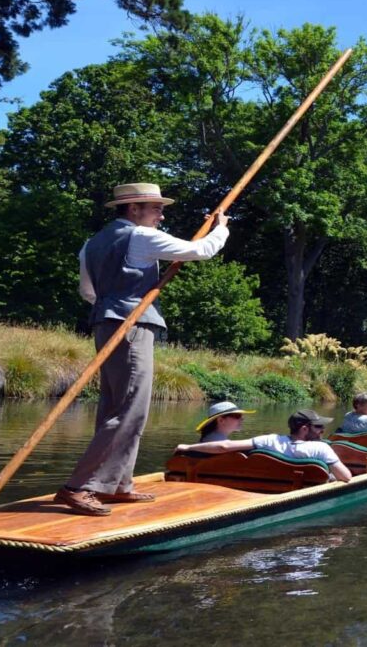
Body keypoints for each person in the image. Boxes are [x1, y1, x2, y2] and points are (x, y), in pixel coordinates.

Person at [56, 183, 231, 517]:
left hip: (106, 323)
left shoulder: (91, 243)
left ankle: (116, 484)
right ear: (133, 209)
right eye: (156, 209)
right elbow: (200, 250)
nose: (161, 216)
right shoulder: (141, 236)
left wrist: (113, 303)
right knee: (131, 409)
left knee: (113, 406)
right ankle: (78, 487)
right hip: (132, 325)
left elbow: (88, 291)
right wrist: (221, 229)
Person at [176, 409, 353, 482]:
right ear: (305, 429)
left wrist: (189, 448)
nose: (323, 430)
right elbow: (346, 477)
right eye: (319, 427)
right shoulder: (322, 448)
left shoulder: (269, 440)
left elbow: (224, 447)